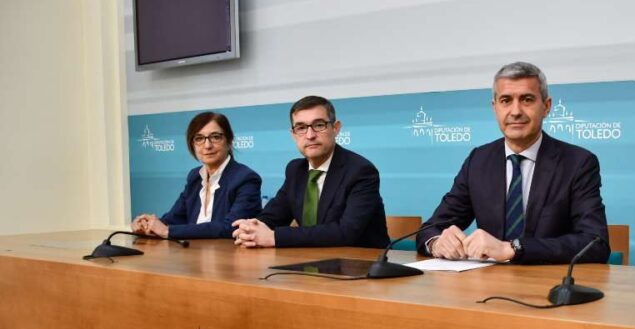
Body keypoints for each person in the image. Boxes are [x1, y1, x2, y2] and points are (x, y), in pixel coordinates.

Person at [417, 62, 610, 264]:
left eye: (527, 100)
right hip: (486, 285)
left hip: (549, 284)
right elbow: (430, 229)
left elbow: (595, 243)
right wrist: (437, 242)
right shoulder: (478, 160)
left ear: (546, 106)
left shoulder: (578, 163)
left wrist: (511, 249)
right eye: (506, 100)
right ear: (495, 108)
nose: (515, 111)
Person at [232, 96, 389, 248]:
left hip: (361, 265)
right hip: (310, 263)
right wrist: (252, 229)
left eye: (319, 125)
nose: (310, 135)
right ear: (293, 134)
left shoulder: (360, 171)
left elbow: (346, 232)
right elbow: (273, 216)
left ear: (336, 128)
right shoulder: (295, 170)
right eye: (301, 127)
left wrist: (274, 237)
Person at [131, 112, 261, 239]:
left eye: (215, 137)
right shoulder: (195, 177)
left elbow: (231, 227)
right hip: (193, 255)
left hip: (230, 257)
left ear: (229, 140)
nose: (207, 145)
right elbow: (173, 219)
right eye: (199, 139)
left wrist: (166, 231)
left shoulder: (246, 178)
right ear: (192, 144)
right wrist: (148, 225)